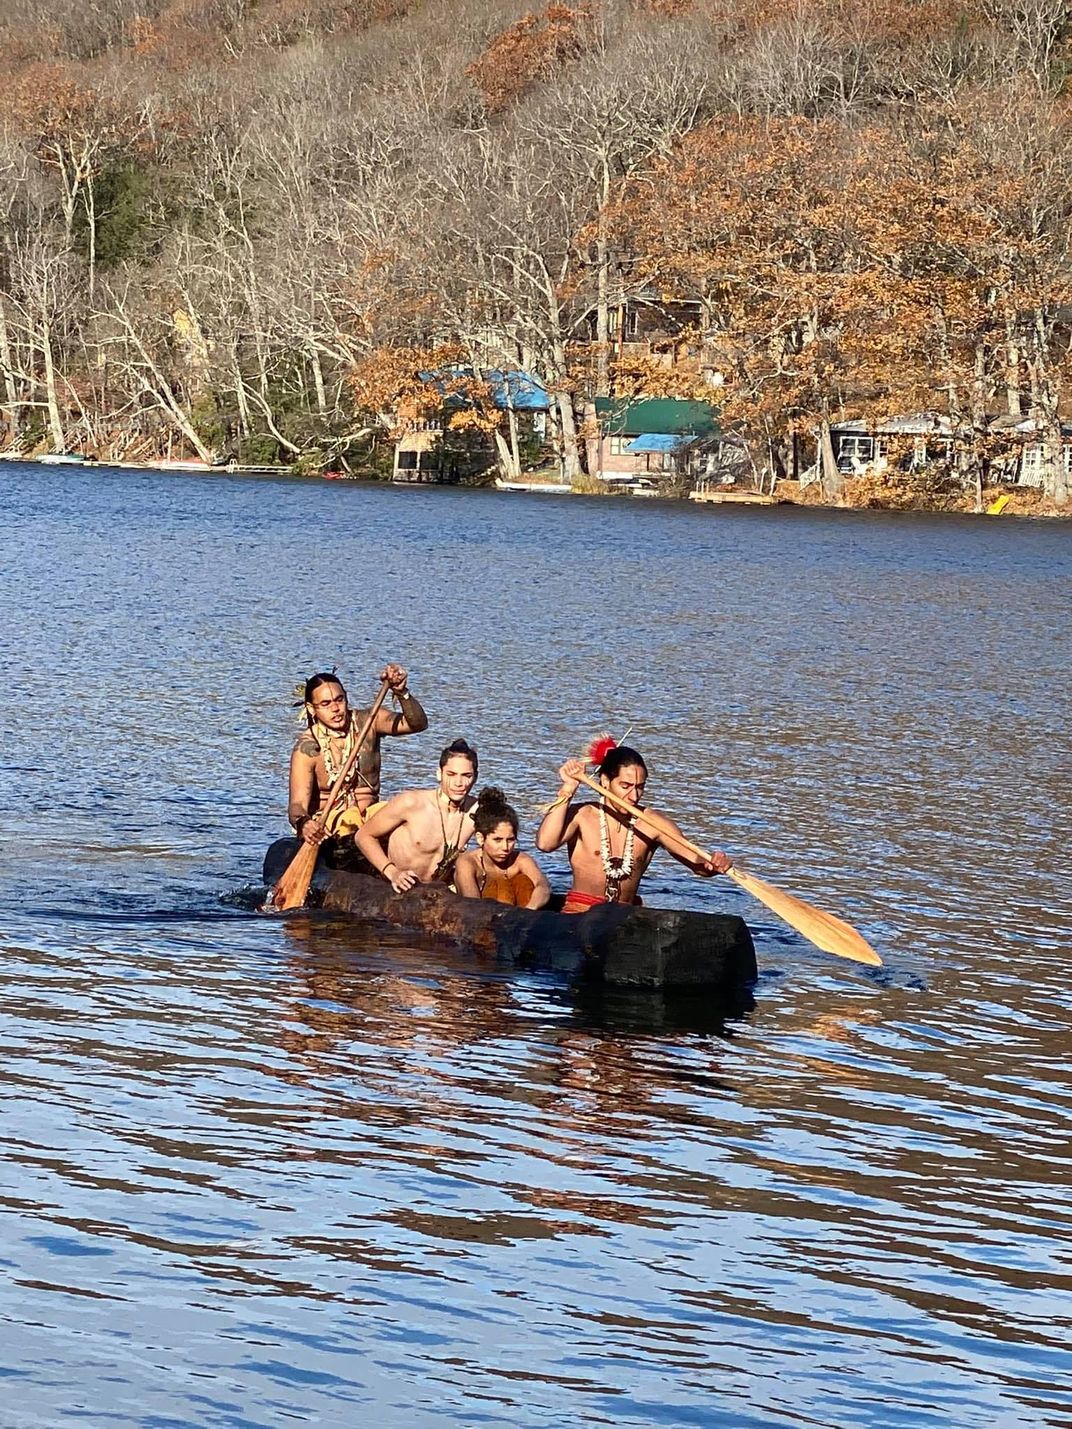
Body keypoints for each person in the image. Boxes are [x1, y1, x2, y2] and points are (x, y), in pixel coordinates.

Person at [536, 737, 731, 913]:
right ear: (605, 781)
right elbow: (545, 844)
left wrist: (712, 864)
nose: (634, 796)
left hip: (625, 917)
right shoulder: (583, 815)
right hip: (579, 912)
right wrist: (568, 789)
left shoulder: (653, 823)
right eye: (625, 786)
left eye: (640, 787)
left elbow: (697, 864)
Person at [288, 664, 428, 850]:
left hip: (371, 818)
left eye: (339, 700)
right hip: (332, 826)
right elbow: (297, 805)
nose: (336, 709)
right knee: (350, 819)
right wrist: (305, 824)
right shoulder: (307, 748)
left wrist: (402, 693)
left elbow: (417, 724)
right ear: (311, 709)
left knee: (407, 812)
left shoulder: (368, 721)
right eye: (325, 704)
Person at [355, 739, 480, 893]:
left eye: (466, 775)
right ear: (439, 774)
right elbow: (363, 836)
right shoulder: (411, 803)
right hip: (396, 887)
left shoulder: (476, 811)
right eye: (451, 774)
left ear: (475, 777)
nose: (459, 783)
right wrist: (392, 873)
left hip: (438, 892)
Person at [454, 788, 551, 910]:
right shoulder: (467, 862)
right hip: (480, 918)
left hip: (520, 916)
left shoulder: (520, 860)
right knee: (500, 888)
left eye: (510, 840)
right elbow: (473, 904)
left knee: (523, 881)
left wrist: (527, 912)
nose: (505, 848)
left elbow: (543, 886)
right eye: (497, 840)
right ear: (480, 838)